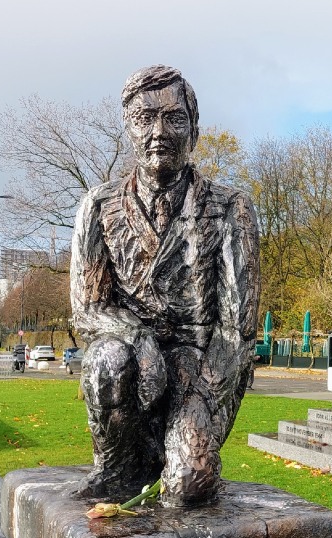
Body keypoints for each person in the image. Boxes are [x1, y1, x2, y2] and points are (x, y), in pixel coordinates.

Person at [71, 66, 260, 507]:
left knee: (189, 483)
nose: (159, 132)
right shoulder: (98, 207)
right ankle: (117, 467)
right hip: (131, 362)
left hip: (200, 366)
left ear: (193, 129)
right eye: (144, 119)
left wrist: (197, 403)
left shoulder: (230, 207)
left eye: (173, 118)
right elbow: (87, 308)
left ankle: (182, 455)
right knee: (107, 357)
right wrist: (139, 339)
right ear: (129, 129)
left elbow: (236, 330)